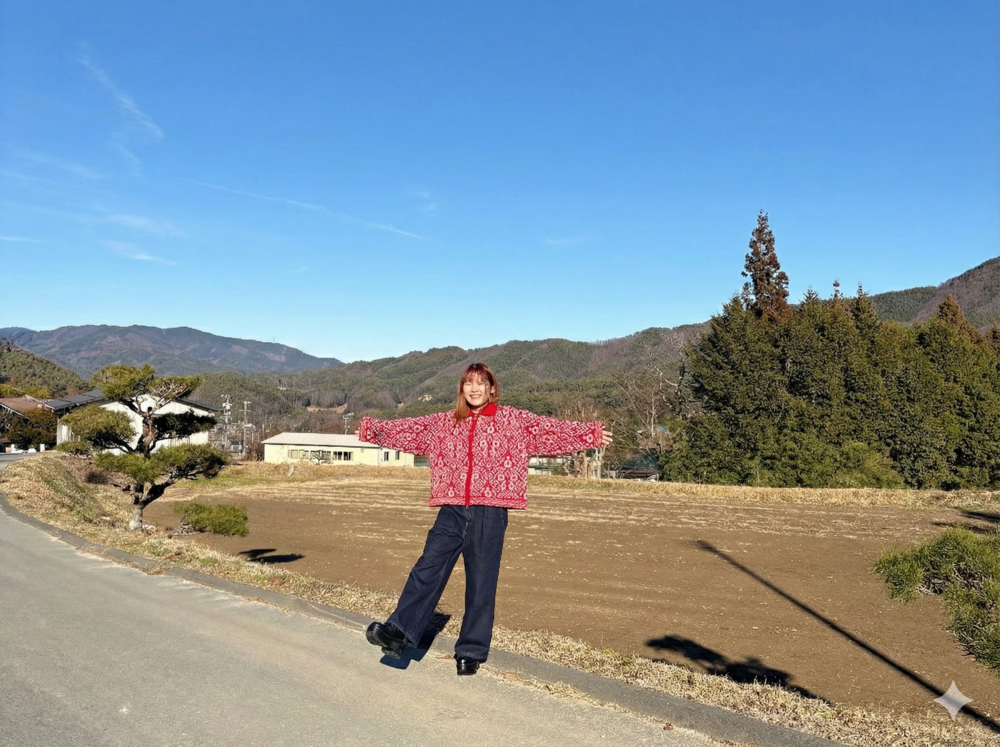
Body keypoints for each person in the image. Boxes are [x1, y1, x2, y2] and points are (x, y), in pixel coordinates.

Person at [359, 362, 612, 676]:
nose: (474, 388)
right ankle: (398, 632)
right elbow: (408, 430)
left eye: (481, 383)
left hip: (490, 510)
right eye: (469, 383)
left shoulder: (512, 420)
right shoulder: (444, 422)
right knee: (427, 567)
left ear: (492, 389)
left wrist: (589, 434)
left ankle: (471, 651)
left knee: (481, 583)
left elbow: (549, 431)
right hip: (452, 508)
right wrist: (372, 430)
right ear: (461, 389)